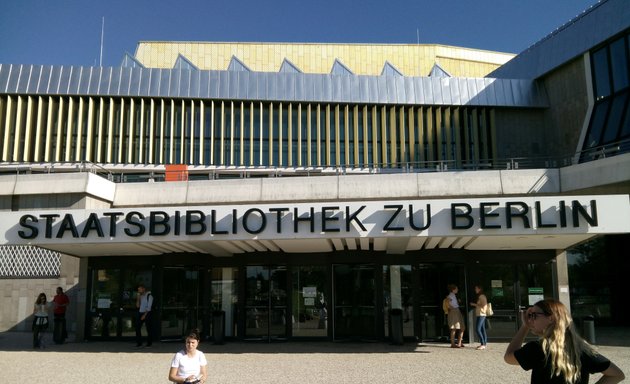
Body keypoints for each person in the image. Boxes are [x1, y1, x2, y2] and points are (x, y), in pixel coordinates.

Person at [504, 298, 625, 384]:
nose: (531, 319)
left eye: (534, 315)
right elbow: (617, 375)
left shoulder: (538, 349)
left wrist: (525, 326)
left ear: (551, 318)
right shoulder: (581, 349)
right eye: (530, 316)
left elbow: (508, 357)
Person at [446, 284, 465, 348]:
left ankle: (458, 342)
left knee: (460, 327)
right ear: (453, 290)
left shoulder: (453, 295)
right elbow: (447, 302)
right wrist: (452, 308)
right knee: (455, 328)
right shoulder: (451, 295)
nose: (457, 290)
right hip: (455, 311)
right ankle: (454, 343)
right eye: (456, 289)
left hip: (456, 311)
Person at [470, 285, 488, 350]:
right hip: (481, 314)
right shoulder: (481, 296)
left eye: (476, 288)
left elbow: (483, 305)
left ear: (479, 289)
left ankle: (483, 344)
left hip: (481, 314)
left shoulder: (481, 296)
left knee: (478, 329)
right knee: (482, 329)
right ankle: (484, 344)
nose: (475, 290)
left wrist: (474, 304)